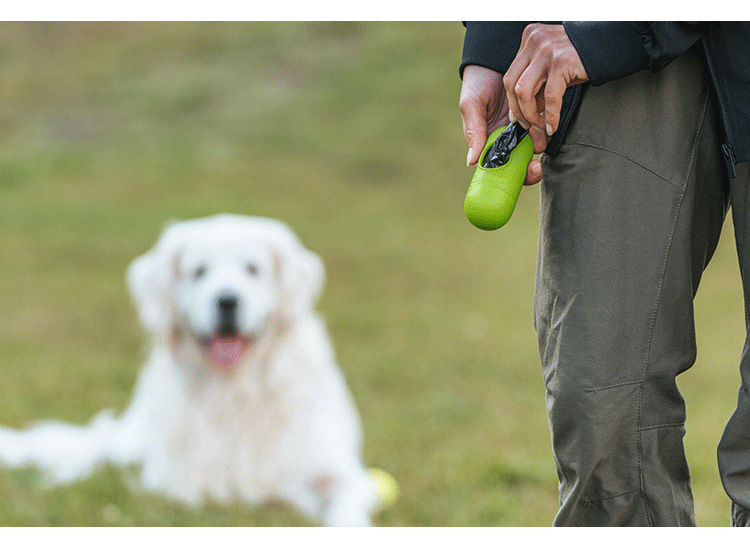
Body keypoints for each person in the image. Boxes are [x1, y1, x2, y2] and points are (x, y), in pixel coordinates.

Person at [458, 22, 750, 526]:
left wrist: (617, 32)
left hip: (608, 34)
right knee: (598, 403)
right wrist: (496, 37)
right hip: (602, 50)